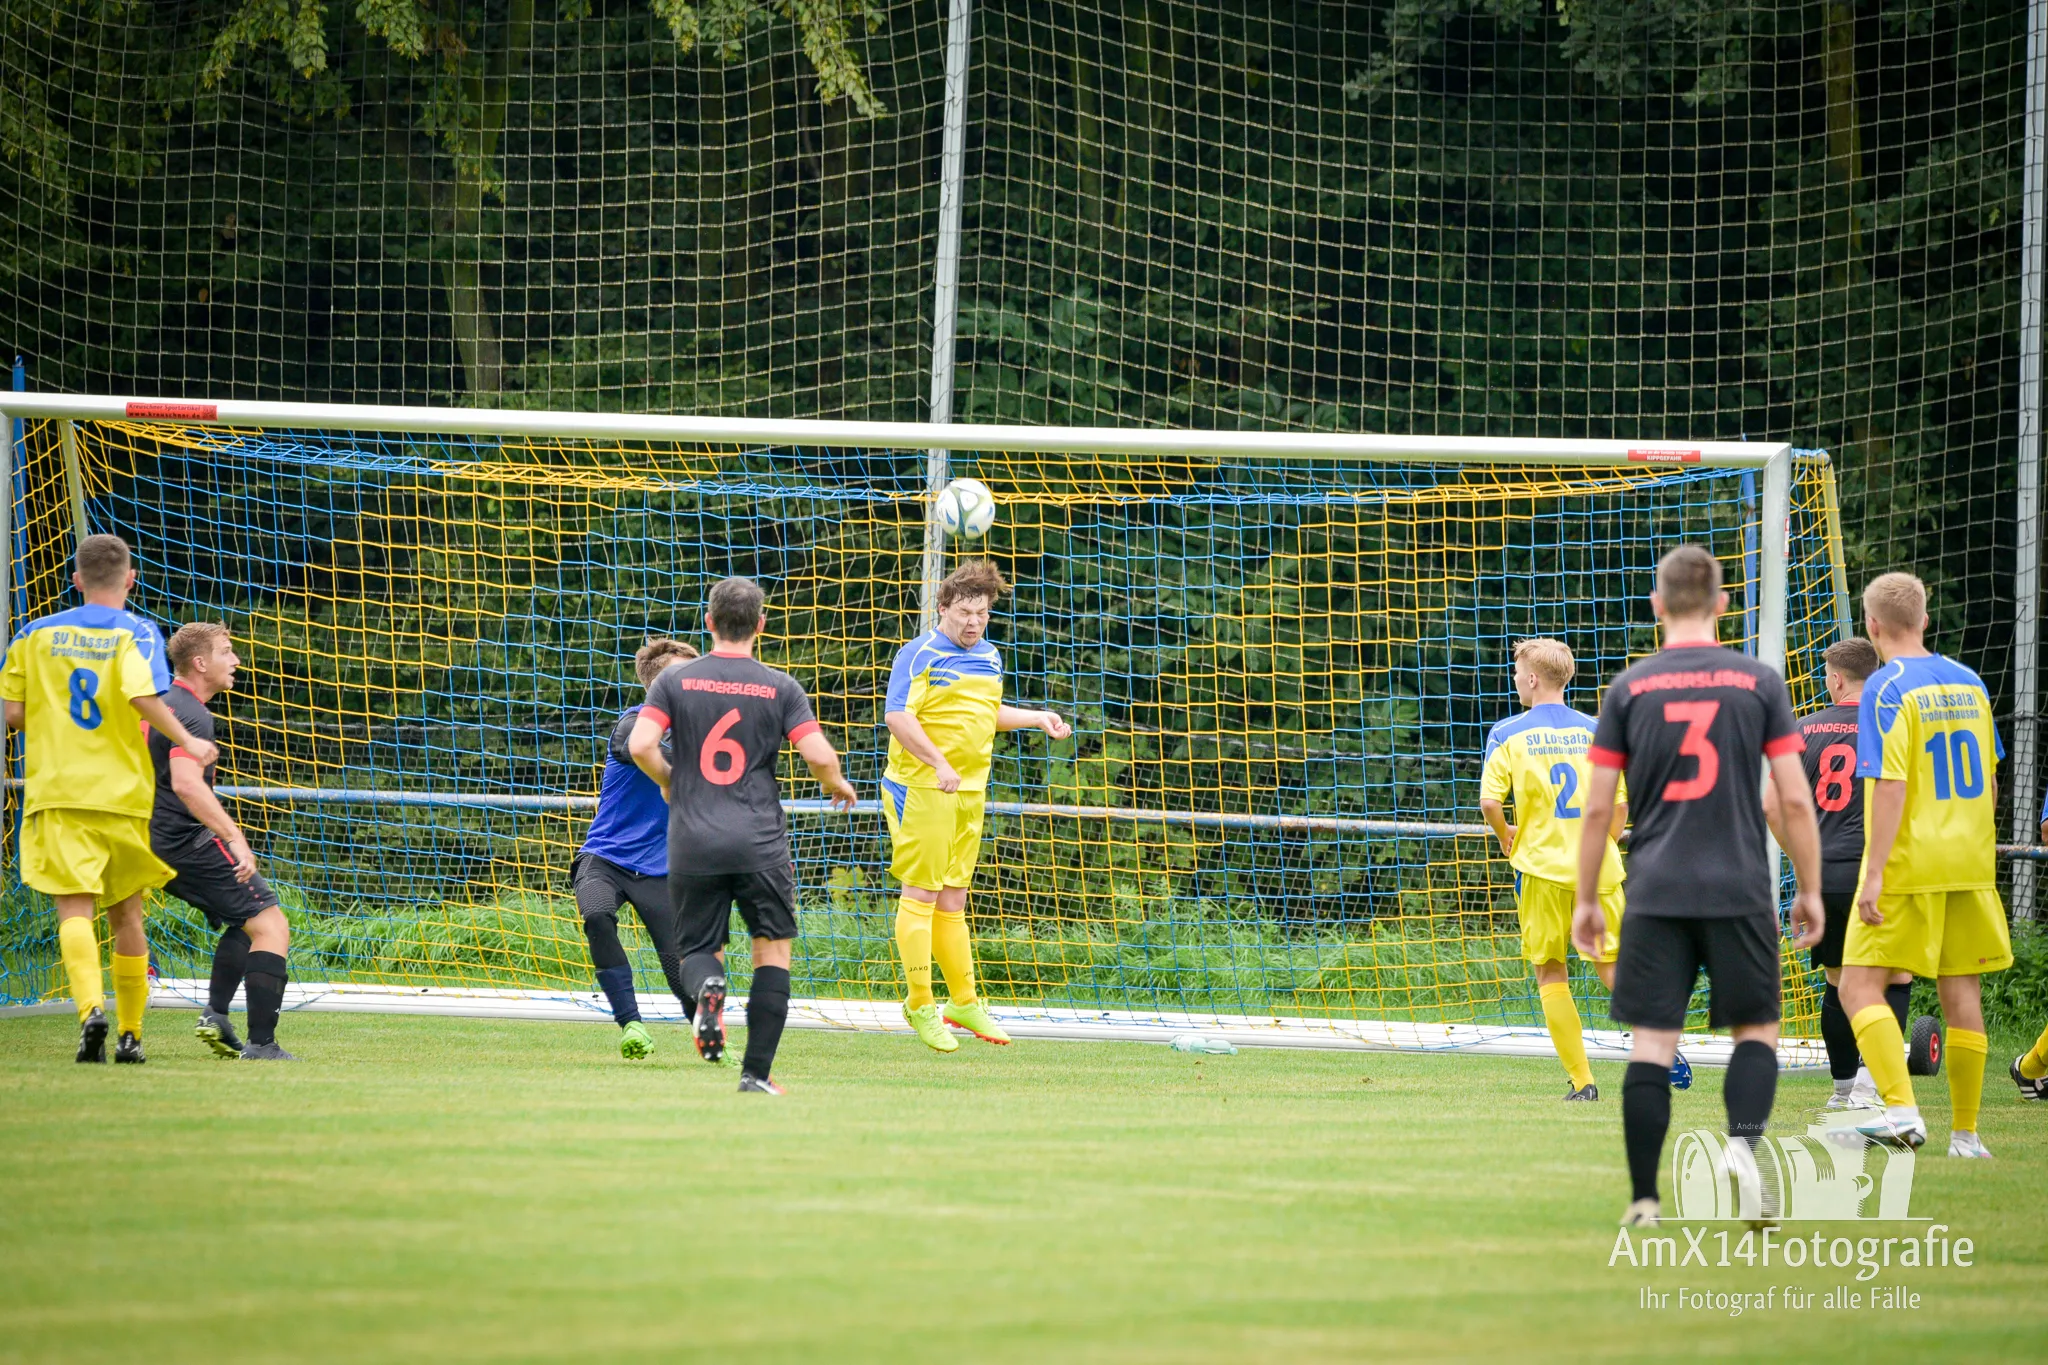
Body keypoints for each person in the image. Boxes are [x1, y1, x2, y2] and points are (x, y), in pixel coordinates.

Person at [1573, 544, 1824, 1227]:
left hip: (1655, 887)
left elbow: (1597, 809)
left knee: (1653, 1043)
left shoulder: (1628, 689)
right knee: (1757, 1030)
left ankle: (1644, 1201)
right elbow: (1791, 799)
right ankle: (1741, 1146)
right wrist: (1808, 887)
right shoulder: (1759, 683)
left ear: (1656, 604)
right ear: (1722, 603)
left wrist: (1588, 898)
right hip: (1739, 884)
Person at [628, 577, 856, 1094]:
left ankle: (708, 993)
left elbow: (642, 745)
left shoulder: (675, 680)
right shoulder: (780, 686)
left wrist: (672, 781)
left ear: (709, 622)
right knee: (771, 951)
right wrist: (835, 783)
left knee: (698, 950)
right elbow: (818, 754)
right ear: (761, 625)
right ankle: (755, 1074)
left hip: (693, 840)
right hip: (759, 841)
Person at [0, 534, 218, 1063]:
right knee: (127, 915)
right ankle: (130, 1035)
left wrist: (56, 722)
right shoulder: (137, 632)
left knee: (73, 909)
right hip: (121, 793)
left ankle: (89, 1011)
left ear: (76, 579)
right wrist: (188, 740)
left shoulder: (33, 634)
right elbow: (142, 696)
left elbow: (13, 713)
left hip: (58, 789)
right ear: (130, 580)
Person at [1841, 572, 2012, 1157]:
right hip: (1969, 861)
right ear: (1925, 619)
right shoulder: (1971, 682)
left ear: (1872, 625)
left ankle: (1901, 1112)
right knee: (1961, 992)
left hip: (1911, 860)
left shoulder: (1885, 688)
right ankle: (1967, 1136)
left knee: (1858, 986)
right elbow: (1991, 780)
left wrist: (1875, 872)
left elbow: (1890, 784)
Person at [881, 560, 1071, 1053]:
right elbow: (898, 717)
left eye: (982, 613)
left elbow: (986, 714)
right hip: (922, 789)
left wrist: (1037, 717)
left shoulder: (989, 656)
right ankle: (920, 1004)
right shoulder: (918, 653)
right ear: (943, 607)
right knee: (920, 894)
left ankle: (962, 1002)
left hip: (969, 793)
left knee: (953, 899)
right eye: (965, 612)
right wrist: (939, 763)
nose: (974, 622)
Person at [1761, 636, 1911, 1108]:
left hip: (1824, 873)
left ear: (1836, 679)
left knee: (1836, 980)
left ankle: (1843, 1089)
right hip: (1880, 870)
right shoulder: (1893, 723)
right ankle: (1869, 1084)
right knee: (1895, 977)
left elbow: (1771, 806)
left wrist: (1804, 859)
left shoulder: (1802, 729)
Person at [1478, 637, 1628, 1100]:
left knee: (1550, 971)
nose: (1515, 680)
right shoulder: (1597, 730)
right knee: (1611, 964)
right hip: (1598, 871)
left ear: (1532, 678)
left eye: (1517, 673)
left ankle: (1583, 1082)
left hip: (1542, 870)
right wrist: (1604, 844)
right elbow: (1620, 806)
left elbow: (1489, 802)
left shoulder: (1507, 732)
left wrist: (1505, 833)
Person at [149, 622, 297, 1060]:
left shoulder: (158, 705)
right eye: (226, 651)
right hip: (184, 839)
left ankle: (216, 1015)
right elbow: (186, 784)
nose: (236, 660)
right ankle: (262, 1045)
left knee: (245, 922)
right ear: (200, 662)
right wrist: (234, 836)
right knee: (271, 924)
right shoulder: (192, 714)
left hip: (146, 838)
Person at [575, 636, 699, 1059]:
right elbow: (662, 757)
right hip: (605, 860)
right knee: (597, 914)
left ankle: (711, 1039)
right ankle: (631, 1023)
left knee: (682, 967)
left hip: (660, 871)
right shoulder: (632, 726)